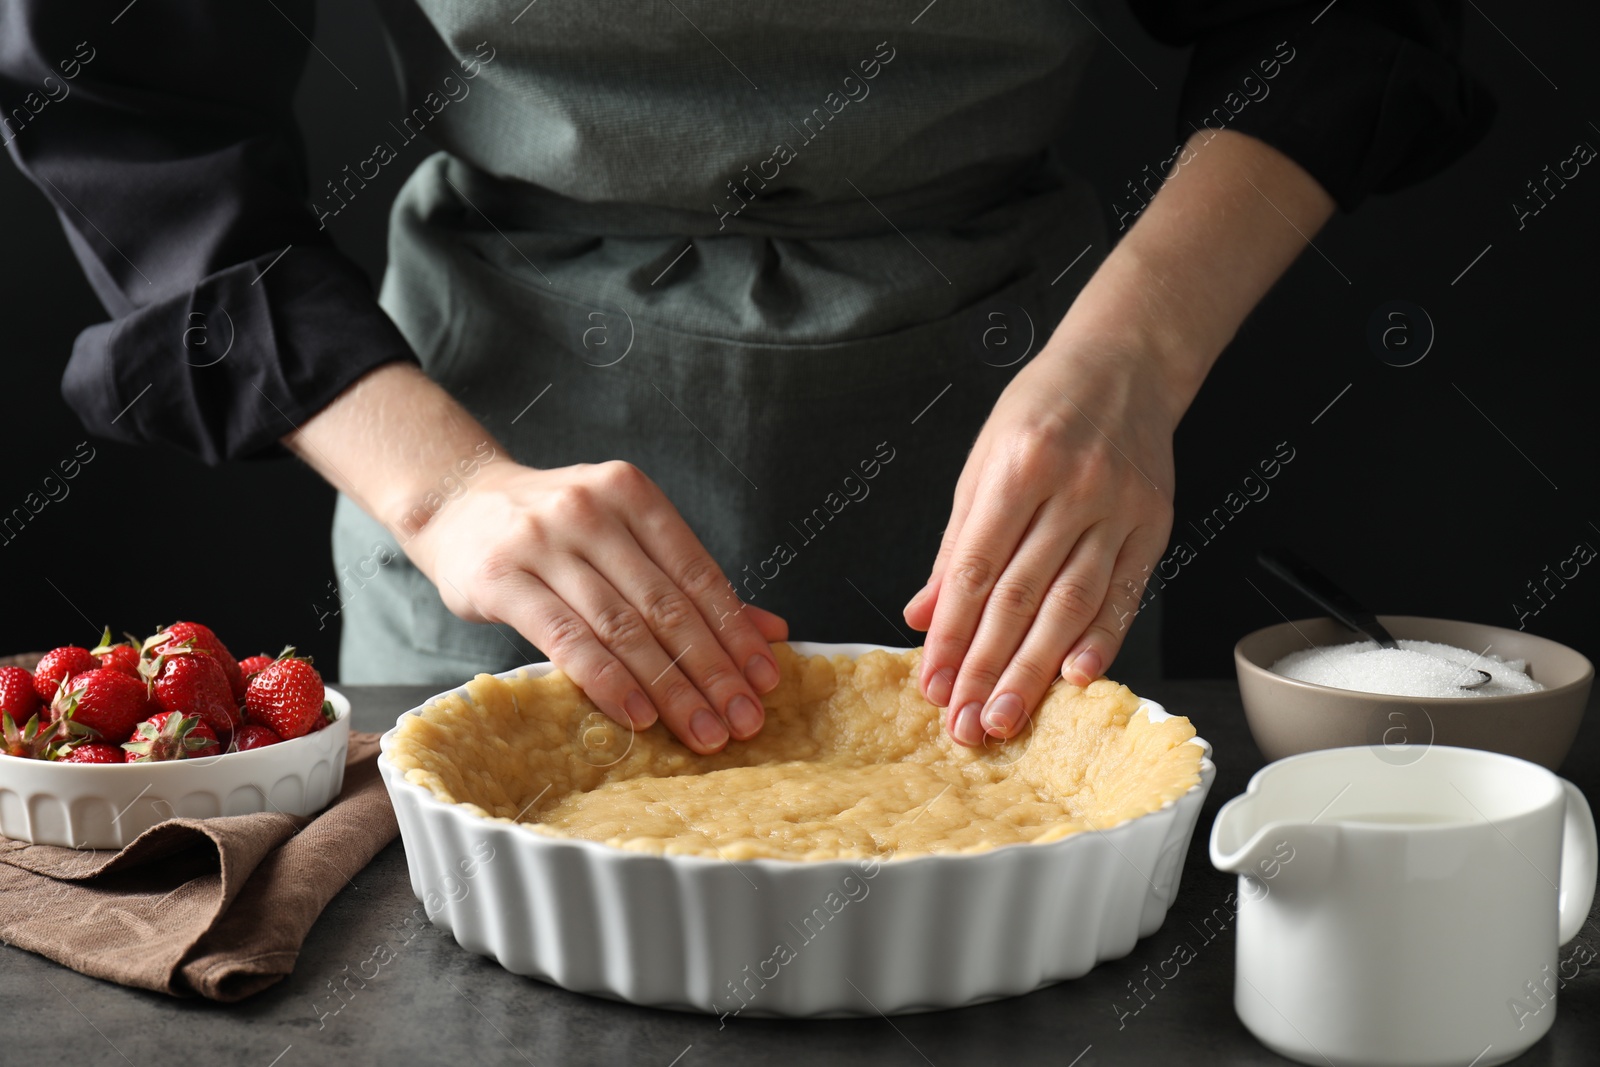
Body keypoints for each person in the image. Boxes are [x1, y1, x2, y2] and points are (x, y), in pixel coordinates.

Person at [2, 2, 1490, 755]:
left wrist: (1133, 358)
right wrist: (446, 487)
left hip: (1012, 423)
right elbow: (125, 95)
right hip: (478, 475)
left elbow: (1345, 19)